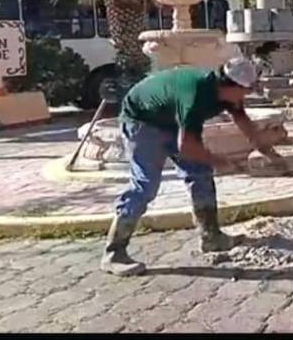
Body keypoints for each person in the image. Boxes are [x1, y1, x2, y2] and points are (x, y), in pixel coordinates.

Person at [100, 57, 283, 276]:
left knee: (200, 173)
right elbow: (186, 147)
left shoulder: (228, 94)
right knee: (145, 186)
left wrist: (271, 155)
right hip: (142, 121)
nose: (246, 96)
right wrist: (220, 161)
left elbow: (246, 125)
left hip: (169, 119)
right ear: (229, 86)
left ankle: (211, 237)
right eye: (246, 90)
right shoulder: (196, 95)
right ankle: (114, 253)